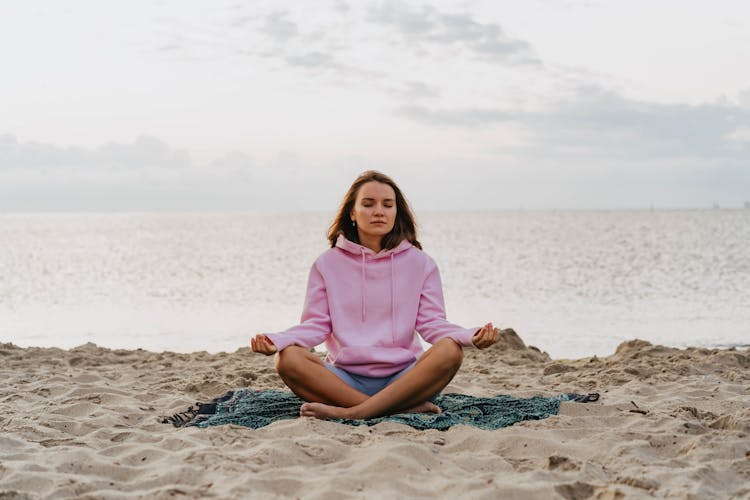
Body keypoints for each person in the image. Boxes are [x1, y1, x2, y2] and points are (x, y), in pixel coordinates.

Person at [251, 170, 498, 420]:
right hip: (345, 380)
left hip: (406, 380)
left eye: (387, 205)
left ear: (395, 213)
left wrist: (470, 336)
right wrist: (278, 340)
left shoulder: (421, 264)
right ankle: (390, 409)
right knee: (288, 359)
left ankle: (357, 412)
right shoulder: (326, 264)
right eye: (368, 204)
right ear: (352, 212)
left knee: (450, 350)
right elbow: (316, 325)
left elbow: (431, 323)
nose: (378, 211)